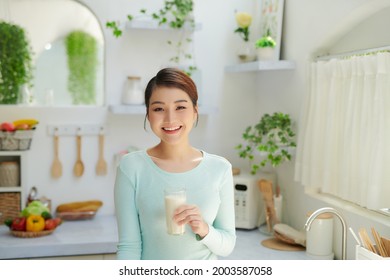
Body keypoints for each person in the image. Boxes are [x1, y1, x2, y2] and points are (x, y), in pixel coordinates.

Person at [114, 67, 236, 260]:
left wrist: (204, 229)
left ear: (195, 111)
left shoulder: (219, 169)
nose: (170, 119)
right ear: (148, 114)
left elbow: (227, 245)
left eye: (180, 107)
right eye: (159, 109)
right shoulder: (131, 167)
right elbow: (129, 247)